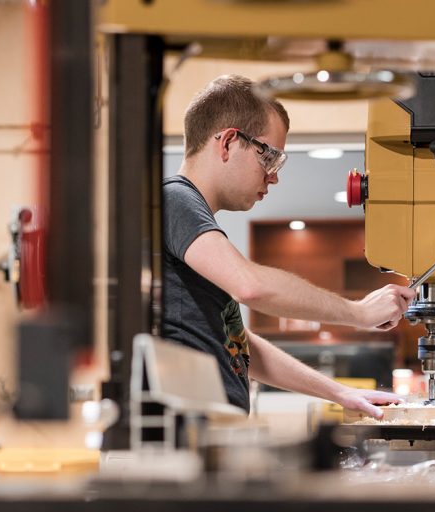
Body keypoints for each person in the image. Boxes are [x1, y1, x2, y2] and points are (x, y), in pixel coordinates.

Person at [163, 75, 416, 419]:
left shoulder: (192, 219)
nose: (274, 176)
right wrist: (358, 314)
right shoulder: (175, 199)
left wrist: (341, 392)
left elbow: (240, 345)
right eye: (268, 157)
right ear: (227, 142)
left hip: (208, 435)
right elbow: (250, 286)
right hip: (181, 442)